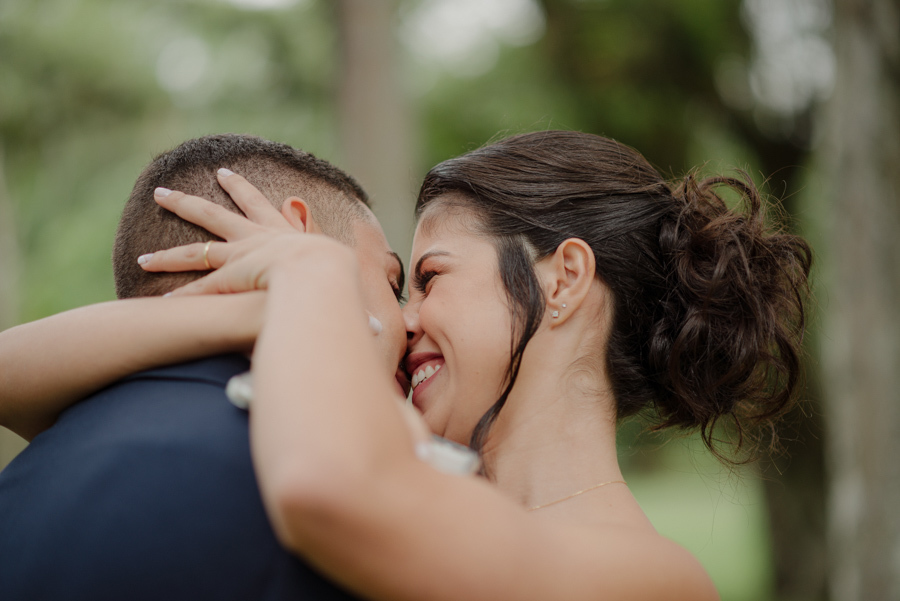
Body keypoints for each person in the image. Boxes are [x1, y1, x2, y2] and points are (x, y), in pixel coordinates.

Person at [1, 130, 811, 600]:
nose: (405, 318)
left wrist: (312, 272)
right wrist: (259, 304)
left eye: (428, 277)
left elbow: (334, 491)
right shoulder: (406, 455)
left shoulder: (653, 578)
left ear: (564, 279)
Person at [0, 133, 408, 600]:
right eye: (393, 283)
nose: (409, 323)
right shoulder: (345, 479)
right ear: (300, 239)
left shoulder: (26, 479)